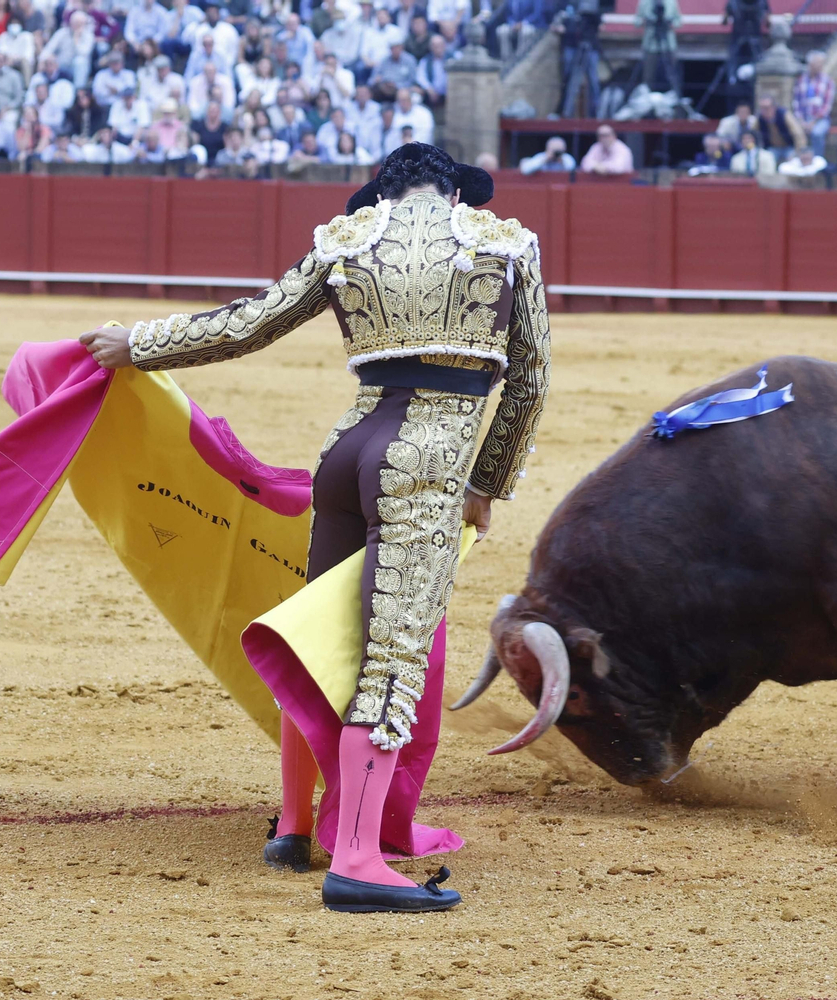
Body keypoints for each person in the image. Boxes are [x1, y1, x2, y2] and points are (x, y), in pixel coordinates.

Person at [76, 144, 549, 915]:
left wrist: (141, 344)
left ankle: (296, 826)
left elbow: (250, 324)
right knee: (388, 656)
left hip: (347, 452)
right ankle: (357, 858)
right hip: (424, 459)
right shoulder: (503, 243)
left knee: (324, 635)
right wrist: (486, 483)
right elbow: (530, 381)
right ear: (455, 190)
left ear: (381, 194)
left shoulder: (347, 239)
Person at [793, 50, 835, 158]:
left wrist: (813, 122)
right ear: (810, 64)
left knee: (817, 133)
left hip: (820, 119)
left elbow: (827, 106)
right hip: (803, 118)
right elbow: (796, 103)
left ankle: (817, 161)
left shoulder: (827, 81)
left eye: (822, 63)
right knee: (797, 132)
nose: (820, 65)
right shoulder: (801, 80)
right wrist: (801, 121)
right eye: (818, 63)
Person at [634, 0, 682, 93]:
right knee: (648, 75)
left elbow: (679, 21)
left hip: (668, 44)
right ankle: (647, 95)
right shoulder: (644, 2)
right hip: (650, 44)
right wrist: (646, 21)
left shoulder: (671, 2)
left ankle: (674, 94)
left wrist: (670, 22)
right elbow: (636, 21)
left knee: (672, 73)